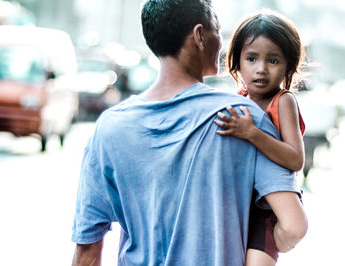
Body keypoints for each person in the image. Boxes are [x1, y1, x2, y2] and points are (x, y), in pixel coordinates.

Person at [71, 1, 305, 265]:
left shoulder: (109, 128)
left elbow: (86, 250)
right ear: (199, 36)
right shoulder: (241, 118)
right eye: (217, 30)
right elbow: (293, 224)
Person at [214, 9, 308, 266]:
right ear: (237, 62)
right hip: (238, 204)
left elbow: (295, 158)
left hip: (267, 210)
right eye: (252, 59)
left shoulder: (283, 101)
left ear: (289, 65)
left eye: (273, 61)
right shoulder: (237, 102)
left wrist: (253, 133)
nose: (262, 70)